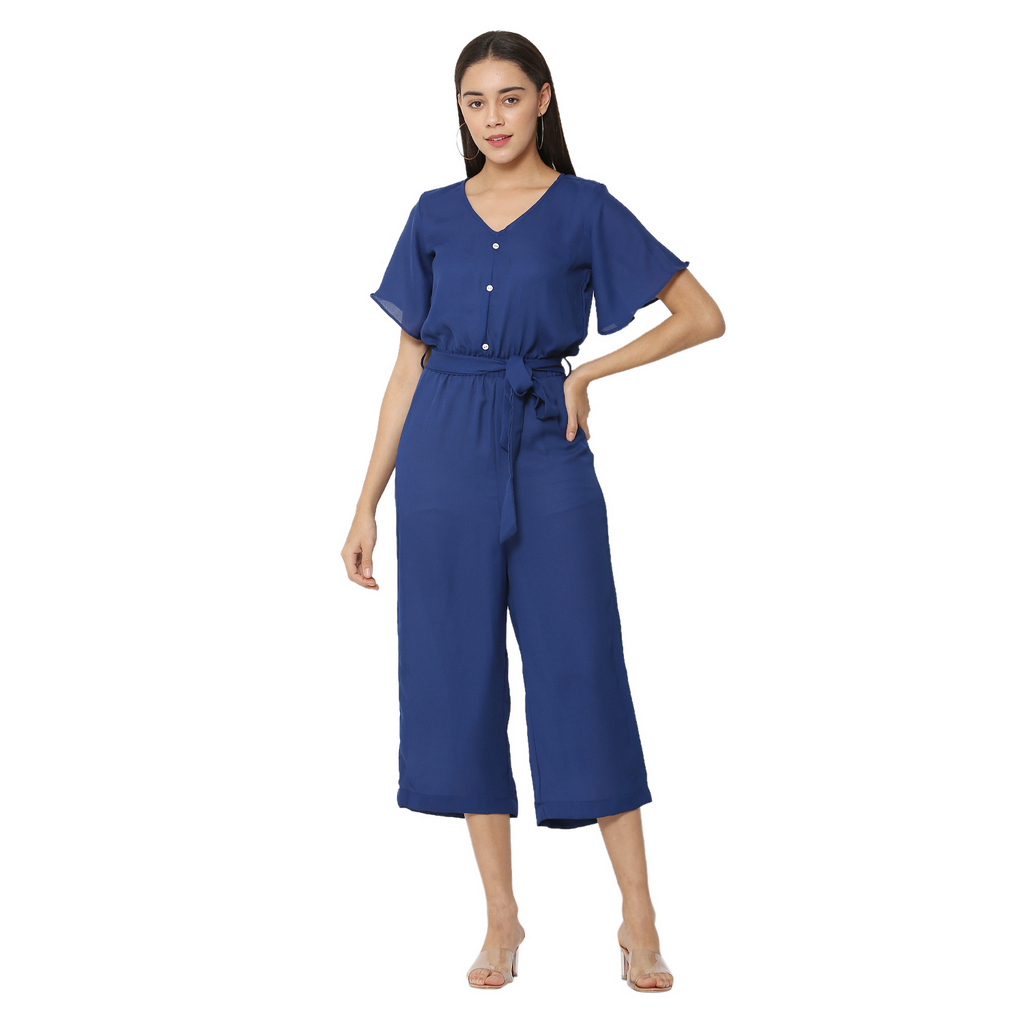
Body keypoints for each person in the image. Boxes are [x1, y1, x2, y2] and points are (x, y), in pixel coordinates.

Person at [343, 30, 725, 992]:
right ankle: (502, 918)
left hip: (545, 443)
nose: (493, 118)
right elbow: (405, 370)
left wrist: (588, 373)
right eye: (475, 102)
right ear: (459, 111)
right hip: (441, 453)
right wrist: (365, 502)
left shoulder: (585, 208)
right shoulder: (432, 214)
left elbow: (701, 314)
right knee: (459, 673)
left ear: (544, 99)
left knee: (580, 665)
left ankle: (638, 916)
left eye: (510, 98)